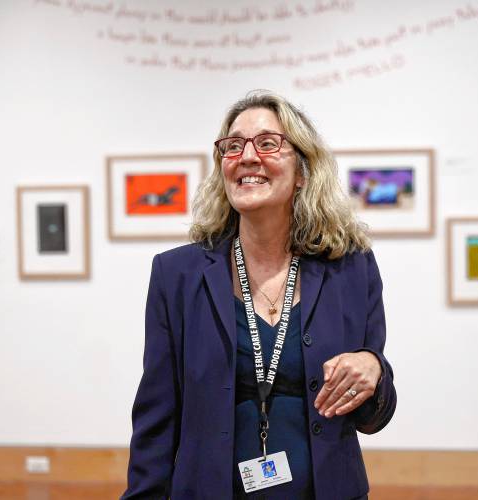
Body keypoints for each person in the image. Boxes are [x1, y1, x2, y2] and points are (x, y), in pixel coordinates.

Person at [122, 91, 397, 499]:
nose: (247, 157)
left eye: (268, 143)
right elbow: (156, 419)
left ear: (302, 171)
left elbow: (371, 417)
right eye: (233, 147)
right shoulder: (176, 274)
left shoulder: (351, 269)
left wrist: (374, 368)